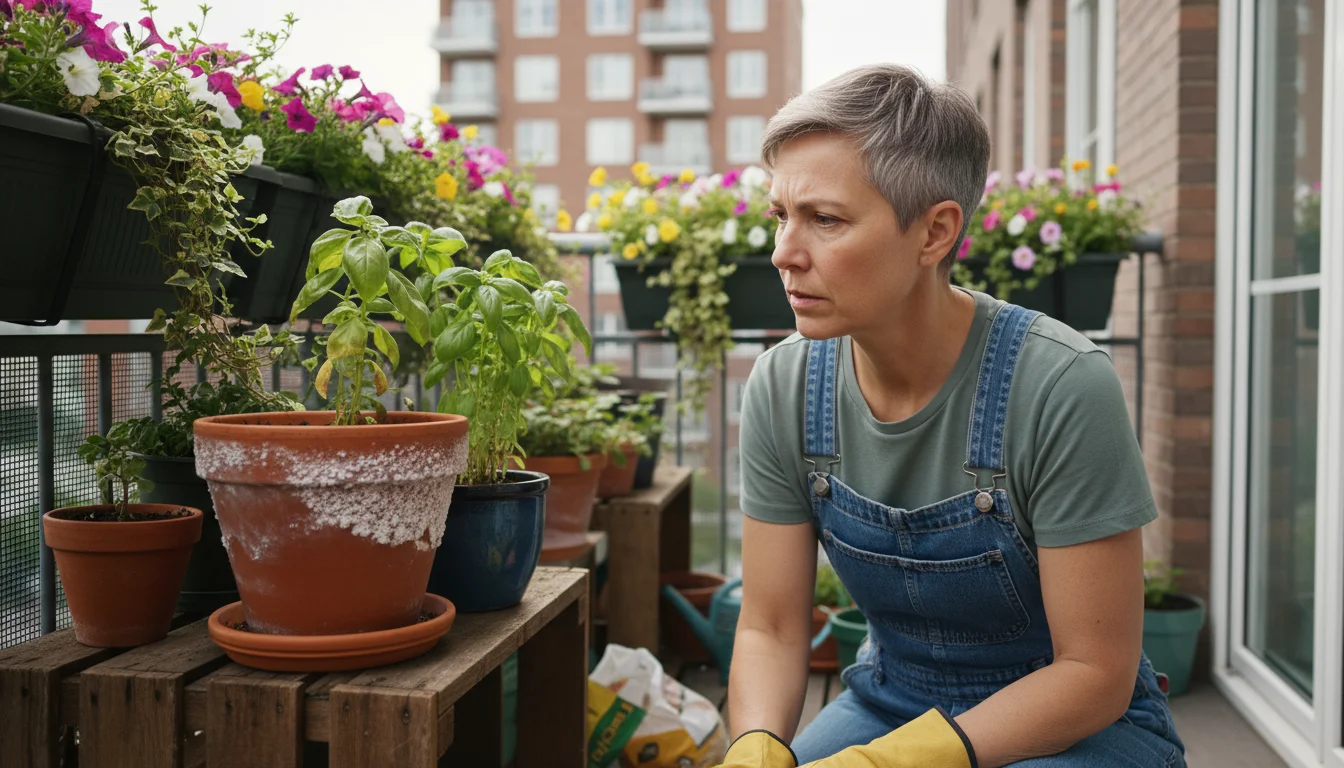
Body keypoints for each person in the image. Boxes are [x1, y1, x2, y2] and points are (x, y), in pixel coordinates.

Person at [714, 64, 1186, 768]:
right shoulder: (785, 384)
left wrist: (896, 761)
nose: (783, 252)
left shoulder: (1059, 384)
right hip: (892, 699)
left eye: (826, 220)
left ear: (934, 233)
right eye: (781, 216)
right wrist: (754, 743)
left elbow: (1095, 673)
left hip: (1080, 724)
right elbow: (774, 627)